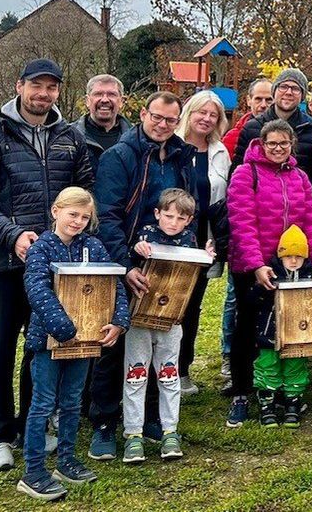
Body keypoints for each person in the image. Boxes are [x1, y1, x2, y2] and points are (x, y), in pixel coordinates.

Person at [0, 58, 94, 473]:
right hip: (5, 263)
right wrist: (12, 234)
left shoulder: (70, 137)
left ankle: (29, 424)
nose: (44, 94)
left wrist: (72, 240)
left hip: (56, 267)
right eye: (37, 85)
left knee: (40, 347)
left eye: (51, 87)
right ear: (19, 86)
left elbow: (87, 195)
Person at [90, 91, 195, 460]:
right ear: (143, 114)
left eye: (170, 120)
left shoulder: (183, 155)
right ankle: (104, 423)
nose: (163, 125)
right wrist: (126, 265)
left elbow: (189, 205)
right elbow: (108, 214)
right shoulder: (121, 155)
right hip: (128, 263)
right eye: (157, 117)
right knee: (114, 346)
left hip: (168, 267)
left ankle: (151, 418)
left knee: (158, 344)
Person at [18, 187, 127, 500]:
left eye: (84, 216)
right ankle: (34, 470)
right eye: (72, 214)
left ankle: (66, 460)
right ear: (56, 211)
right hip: (49, 342)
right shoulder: (42, 248)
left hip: (86, 342)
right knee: (42, 404)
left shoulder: (93, 246)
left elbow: (113, 282)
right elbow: (37, 288)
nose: (78, 221)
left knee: (72, 401)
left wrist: (119, 321)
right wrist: (64, 329)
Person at [223, 120, 312, 430]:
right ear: (262, 144)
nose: (278, 149)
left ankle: (281, 390)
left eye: (284, 143)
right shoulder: (246, 173)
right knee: (247, 329)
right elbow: (242, 221)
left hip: (291, 266)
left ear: (292, 145)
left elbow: (311, 219)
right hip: (251, 266)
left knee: (287, 328)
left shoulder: (300, 177)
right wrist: (257, 265)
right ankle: (241, 393)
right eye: (272, 144)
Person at [122, 189, 207, 462]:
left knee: (169, 374)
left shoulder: (190, 239)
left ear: (189, 220)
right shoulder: (145, 234)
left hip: (171, 319)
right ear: (157, 213)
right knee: (136, 374)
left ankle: (170, 430)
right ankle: (133, 433)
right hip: (140, 318)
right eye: (168, 216)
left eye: (180, 218)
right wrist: (136, 249)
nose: (173, 222)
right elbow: (132, 256)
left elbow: (196, 268)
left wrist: (204, 255)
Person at [173, 90, 230, 391]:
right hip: (173, 238)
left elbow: (223, 198)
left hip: (205, 240)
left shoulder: (221, 152)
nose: (206, 119)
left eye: (213, 115)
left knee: (193, 307)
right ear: (189, 113)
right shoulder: (173, 146)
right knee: (170, 304)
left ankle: (183, 369)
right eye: (201, 113)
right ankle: (160, 370)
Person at [230, 69, 312, 210]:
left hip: (297, 210)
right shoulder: (252, 128)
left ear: (302, 96)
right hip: (258, 211)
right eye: (283, 86)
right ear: (274, 91)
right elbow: (237, 172)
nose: (288, 92)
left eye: (295, 88)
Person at [253, 224, 312, 427]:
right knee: (267, 366)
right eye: (288, 256)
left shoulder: (310, 276)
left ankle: (293, 402)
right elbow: (253, 300)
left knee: (295, 368)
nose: (292, 261)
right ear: (280, 255)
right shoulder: (269, 276)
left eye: (298, 257)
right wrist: (261, 289)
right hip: (269, 331)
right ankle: (267, 404)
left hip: (298, 334)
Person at [73, 74, 129, 173]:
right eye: (98, 94)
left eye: (112, 94)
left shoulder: (136, 140)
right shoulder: (69, 138)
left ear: (121, 102)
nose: (104, 100)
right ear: (87, 101)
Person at [223, 78, 273, 159]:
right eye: (258, 99)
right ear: (249, 100)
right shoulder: (233, 137)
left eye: (269, 100)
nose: (263, 105)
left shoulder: (287, 134)